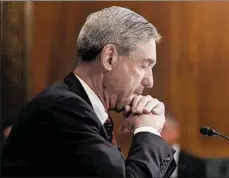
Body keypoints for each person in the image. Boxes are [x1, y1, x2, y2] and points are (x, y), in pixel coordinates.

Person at [1, 6, 176, 177]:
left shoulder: (77, 108)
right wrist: (147, 129)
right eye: (143, 65)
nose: (149, 81)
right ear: (109, 57)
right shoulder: (63, 109)